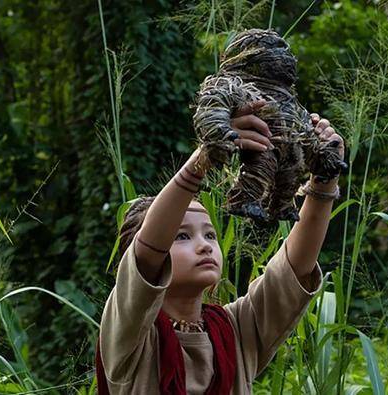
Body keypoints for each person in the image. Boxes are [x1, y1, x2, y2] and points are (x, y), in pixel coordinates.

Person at [95, 100, 345, 394]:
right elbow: (149, 250)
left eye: (210, 235)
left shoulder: (236, 330)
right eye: (182, 236)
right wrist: (207, 154)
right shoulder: (128, 334)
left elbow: (294, 267)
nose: (204, 246)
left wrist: (325, 179)